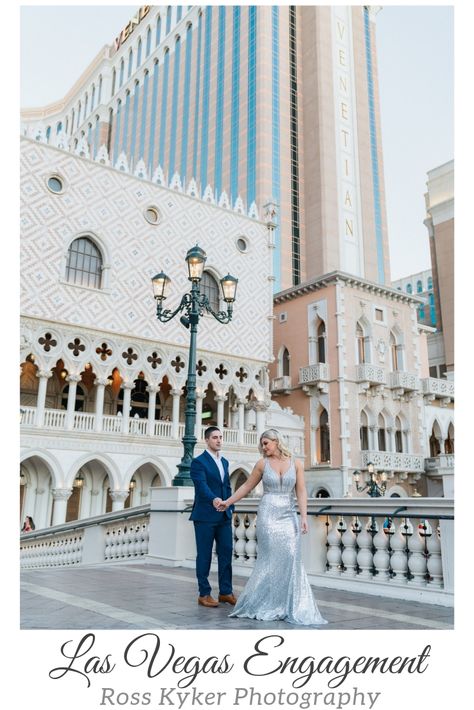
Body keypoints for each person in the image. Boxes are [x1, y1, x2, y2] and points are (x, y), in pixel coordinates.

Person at [217, 429, 327, 626]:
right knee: (268, 560)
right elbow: (246, 487)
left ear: (277, 442)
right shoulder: (262, 464)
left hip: (288, 515)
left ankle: (289, 605)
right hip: (268, 515)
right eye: (262, 444)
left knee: (291, 558)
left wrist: (303, 516)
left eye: (266, 443)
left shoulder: (297, 463)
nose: (263, 447)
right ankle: (265, 603)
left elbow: (301, 491)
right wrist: (228, 501)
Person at [189, 426, 237, 608]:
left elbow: (227, 486)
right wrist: (214, 499)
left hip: (224, 515)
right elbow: (201, 486)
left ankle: (225, 592)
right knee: (204, 556)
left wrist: (230, 505)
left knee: (226, 554)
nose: (219, 440)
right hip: (205, 516)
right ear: (207, 440)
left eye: (220, 437)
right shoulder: (198, 462)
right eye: (215, 437)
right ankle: (204, 593)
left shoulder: (224, 462)